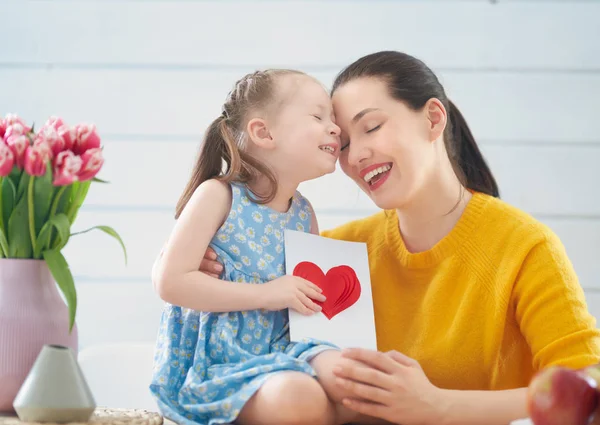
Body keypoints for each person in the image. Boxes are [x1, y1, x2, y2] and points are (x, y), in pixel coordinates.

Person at [198, 51, 600, 425]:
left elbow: (590, 389)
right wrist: (210, 260)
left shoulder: (523, 246)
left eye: (371, 127)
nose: (354, 157)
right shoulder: (331, 252)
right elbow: (248, 349)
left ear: (433, 118)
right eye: (344, 144)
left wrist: (439, 406)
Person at [150, 68, 386, 425]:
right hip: (222, 364)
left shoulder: (304, 214)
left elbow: (310, 307)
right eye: (318, 116)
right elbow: (171, 283)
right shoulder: (218, 196)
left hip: (286, 349)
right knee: (298, 396)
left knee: (357, 379)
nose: (336, 128)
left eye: (333, 120)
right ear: (263, 132)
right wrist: (268, 293)